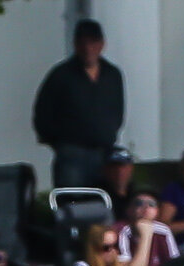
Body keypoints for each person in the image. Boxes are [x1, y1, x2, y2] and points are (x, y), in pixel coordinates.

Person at [33, 18, 125, 192]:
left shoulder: (113, 75)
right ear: (75, 45)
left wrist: (110, 133)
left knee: (102, 201)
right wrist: (59, 143)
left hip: (104, 152)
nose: (88, 48)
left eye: (92, 43)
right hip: (71, 154)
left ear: (102, 44)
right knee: (72, 201)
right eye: (83, 43)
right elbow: (42, 113)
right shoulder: (61, 75)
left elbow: (118, 110)